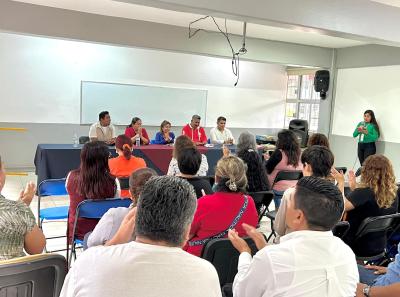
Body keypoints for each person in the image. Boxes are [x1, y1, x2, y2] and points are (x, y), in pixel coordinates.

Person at [60, 176, 222, 297]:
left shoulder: (89, 261)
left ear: (136, 216)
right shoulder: (205, 273)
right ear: (187, 230)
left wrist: (111, 246)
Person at [228, 177, 359, 297]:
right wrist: (265, 248)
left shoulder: (271, 259)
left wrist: (245, 253)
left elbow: (240, 293)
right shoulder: (346, 253)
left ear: (298, 217)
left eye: (288, 203)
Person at [184, 156, 258, 257]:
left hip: (201, 261)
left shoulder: (203, 203)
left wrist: (205, 203)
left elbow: (187, 234)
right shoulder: (249, 202)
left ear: (217, 178)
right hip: (237, 260)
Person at [274, 145, 335, 239]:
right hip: (321, 245)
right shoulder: (335, 194)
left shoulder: (292, 193)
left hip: (292, 244)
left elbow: (279, 228)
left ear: (307, 167)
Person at [87, 168, 157, 248]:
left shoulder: (114, 215)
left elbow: (92, 244)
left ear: (130, 193)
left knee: (88, 238)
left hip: (113, 257)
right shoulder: (168, 218)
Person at [342, 154, 398, 255]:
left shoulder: (363, 193)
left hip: (355, 246)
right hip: (379, 245)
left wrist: (341, 183)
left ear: (367, 172)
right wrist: (354, 189)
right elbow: (370, 203)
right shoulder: (393, 195)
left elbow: (339, 207)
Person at [66, 141, 120, 243]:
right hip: (104, 234)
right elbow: (115, 205)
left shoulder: (71, 176)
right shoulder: (113, 181)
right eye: (108, 155)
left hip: (78, 231)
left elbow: (71, 194)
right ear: (103, 159)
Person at [0, 156, 46, 260]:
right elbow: (37, 249)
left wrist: (22, 206)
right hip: (13, 275)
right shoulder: (17, 210)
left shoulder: (17, 209)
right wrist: (22, 208)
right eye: (3, 168)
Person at [265, 129, 302, 207]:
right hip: (294, 189)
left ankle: (278, 210)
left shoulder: (279, 153)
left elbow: (267, 170)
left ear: (282, 141)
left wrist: (267, 160)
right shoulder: (300, 154)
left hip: (276, 189)